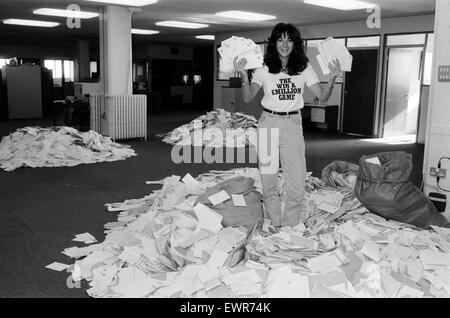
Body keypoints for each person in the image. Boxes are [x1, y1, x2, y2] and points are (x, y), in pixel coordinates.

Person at [233, 23, 342, 228]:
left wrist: (332, 79)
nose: (285, 44)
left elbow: (322, 97)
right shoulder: (264, 67)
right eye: (280, 39)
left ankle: (289, 225)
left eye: (289, 39)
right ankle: (276, 225)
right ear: (274, 43)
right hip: (268, 124)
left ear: (295, 43)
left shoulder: (303, 68)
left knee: (297, 184)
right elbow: (248, 97)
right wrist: (243, 75)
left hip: (293, 124)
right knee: (269, 181)